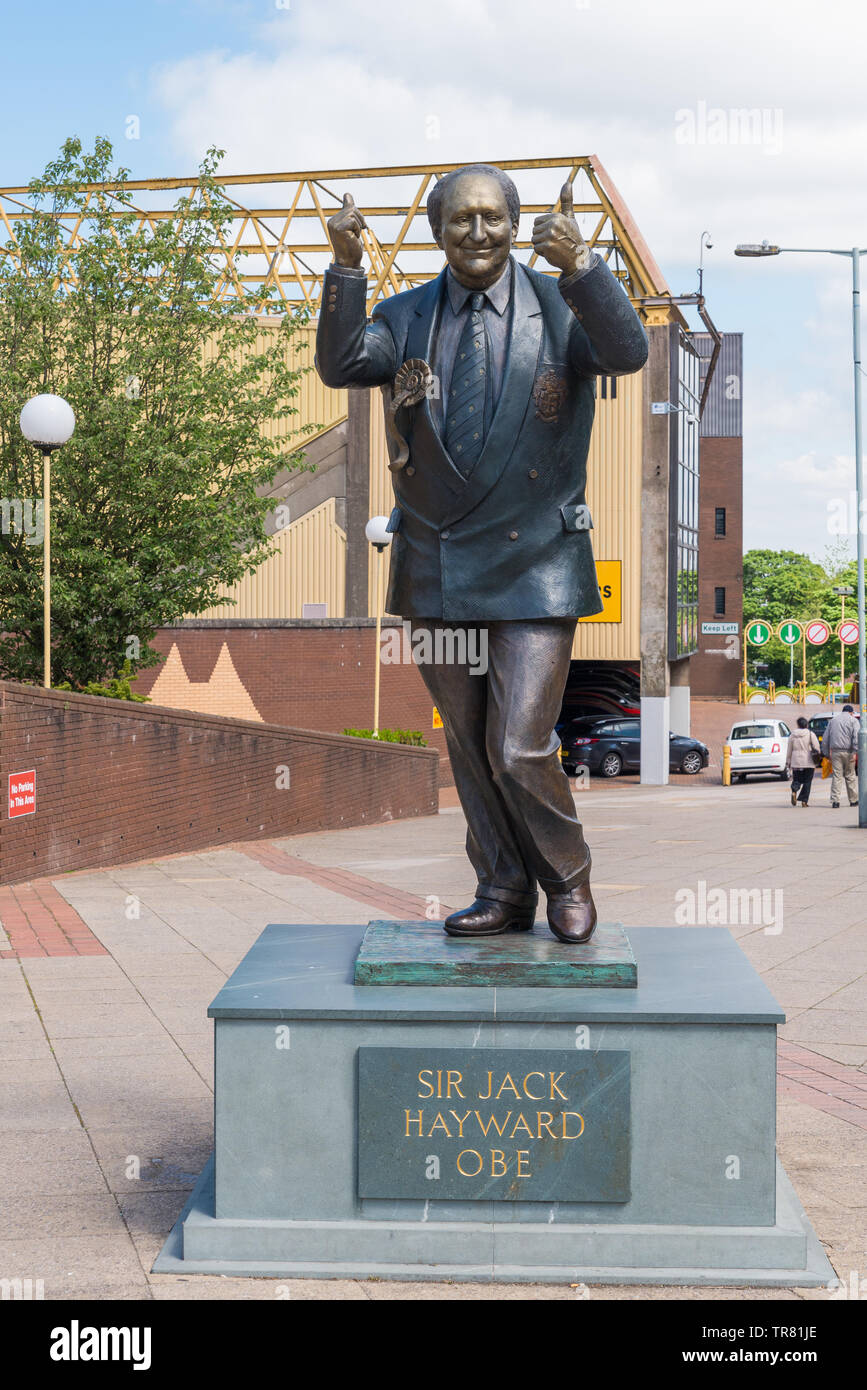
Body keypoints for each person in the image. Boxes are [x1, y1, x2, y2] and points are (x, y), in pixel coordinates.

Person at [316, 164, 648, 944]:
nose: (476, 233)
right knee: (467, 747)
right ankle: (501, 886)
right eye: (459, 220)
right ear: (436, 230)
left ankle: (567, 876)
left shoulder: (561, 307)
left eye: (492, 218)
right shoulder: (403, 316)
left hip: (536, 563)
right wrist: (345, 267)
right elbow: (339, 366)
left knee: (519, 745)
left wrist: (582, 267)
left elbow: (627, 353)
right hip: (435, 561)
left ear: (515, 223)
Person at [821, 704, 859, 808]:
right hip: (849, 752)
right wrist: (855, 751)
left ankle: (835, 801)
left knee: (837, 776)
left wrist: (826, 753)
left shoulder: (833, 721)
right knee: (850, 776)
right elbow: (856, 737)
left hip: (836, 752)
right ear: (851, 712)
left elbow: (825, 739)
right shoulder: (853, 721)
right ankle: (853, 800)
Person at [786, 716, 820, 807]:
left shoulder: (792, 735)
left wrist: (788, 761)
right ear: (806, 724)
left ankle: (794, 790)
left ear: (798, 725)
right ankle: (804, 801)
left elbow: (789, 749)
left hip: (796, 761)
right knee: (807, 781)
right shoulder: (810, 734)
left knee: (797, 778)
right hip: (808, 761)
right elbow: (816, 747)